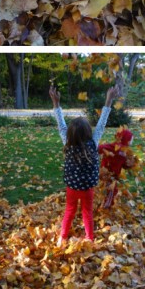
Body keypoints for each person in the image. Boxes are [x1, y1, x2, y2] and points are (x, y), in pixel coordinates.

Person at [50, 84, 117, 243]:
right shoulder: (93, 143)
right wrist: (108, 100)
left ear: (70, 134)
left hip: (72, 188)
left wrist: (56, 103)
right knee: (87, 212)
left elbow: (61, 124)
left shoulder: (68, 143)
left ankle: (62, 238)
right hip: (87, 188)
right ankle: (90, 238)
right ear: (88, 132)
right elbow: (101, 124)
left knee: (69, 211)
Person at [98, 127, 136, 209]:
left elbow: (123, 164)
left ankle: (101, 204)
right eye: (130, 140)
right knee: (111, 192)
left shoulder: (124, 151)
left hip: (110, 175)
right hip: (108, 175)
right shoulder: (114, 147)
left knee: (106, 191)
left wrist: (130, 164)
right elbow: (100, 148)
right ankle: (106, 208)